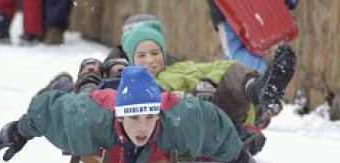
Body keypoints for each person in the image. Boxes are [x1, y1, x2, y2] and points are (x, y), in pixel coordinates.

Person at [0, 66, 260, 163]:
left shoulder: (176, 121)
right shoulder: (87, 120)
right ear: (120, 118)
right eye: (134, 119)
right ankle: (68, 82)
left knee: (121, 72)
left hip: (145, 95)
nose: (142, 128)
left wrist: (237, 155)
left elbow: (209, 120)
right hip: (95, 101)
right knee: (82, 89)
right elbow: (47, 111)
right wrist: (16, 131)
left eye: (149, 118)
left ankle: (119, 69)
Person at [120, 22, 296, 155]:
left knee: (231, 69)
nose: (150, 60)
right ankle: (234, 135)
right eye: (142, 55)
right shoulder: (133, 85)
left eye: (155, 53)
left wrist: (208, 83)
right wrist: (188, 96)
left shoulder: (180, 68)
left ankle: (262, 91)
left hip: (219, 110)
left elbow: (219, 68)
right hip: (186, 126)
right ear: (131, 60)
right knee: (188, 106)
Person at [206, 0, 299, 74]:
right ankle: (223, 89)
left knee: (234, 53)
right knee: (238, 53)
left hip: (228, 10)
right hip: (253, 10)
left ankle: (264, 76)